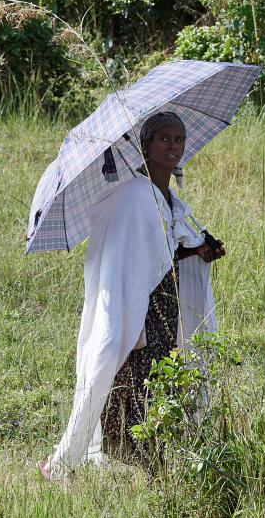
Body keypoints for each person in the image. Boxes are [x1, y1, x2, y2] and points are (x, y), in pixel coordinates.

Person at [38, 111, 224, 480]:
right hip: (140, 303)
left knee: (157, 380)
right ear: (146, 146)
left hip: (162, 303)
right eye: (164, 139)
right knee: (132, 379)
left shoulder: (164, 196)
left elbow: (162, 250)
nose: (173, 146)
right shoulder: (135, 195)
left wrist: (199, 250)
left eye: (179, 140)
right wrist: (185, 249)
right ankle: (79, 460)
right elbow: (143, 254)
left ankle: (154, 463)